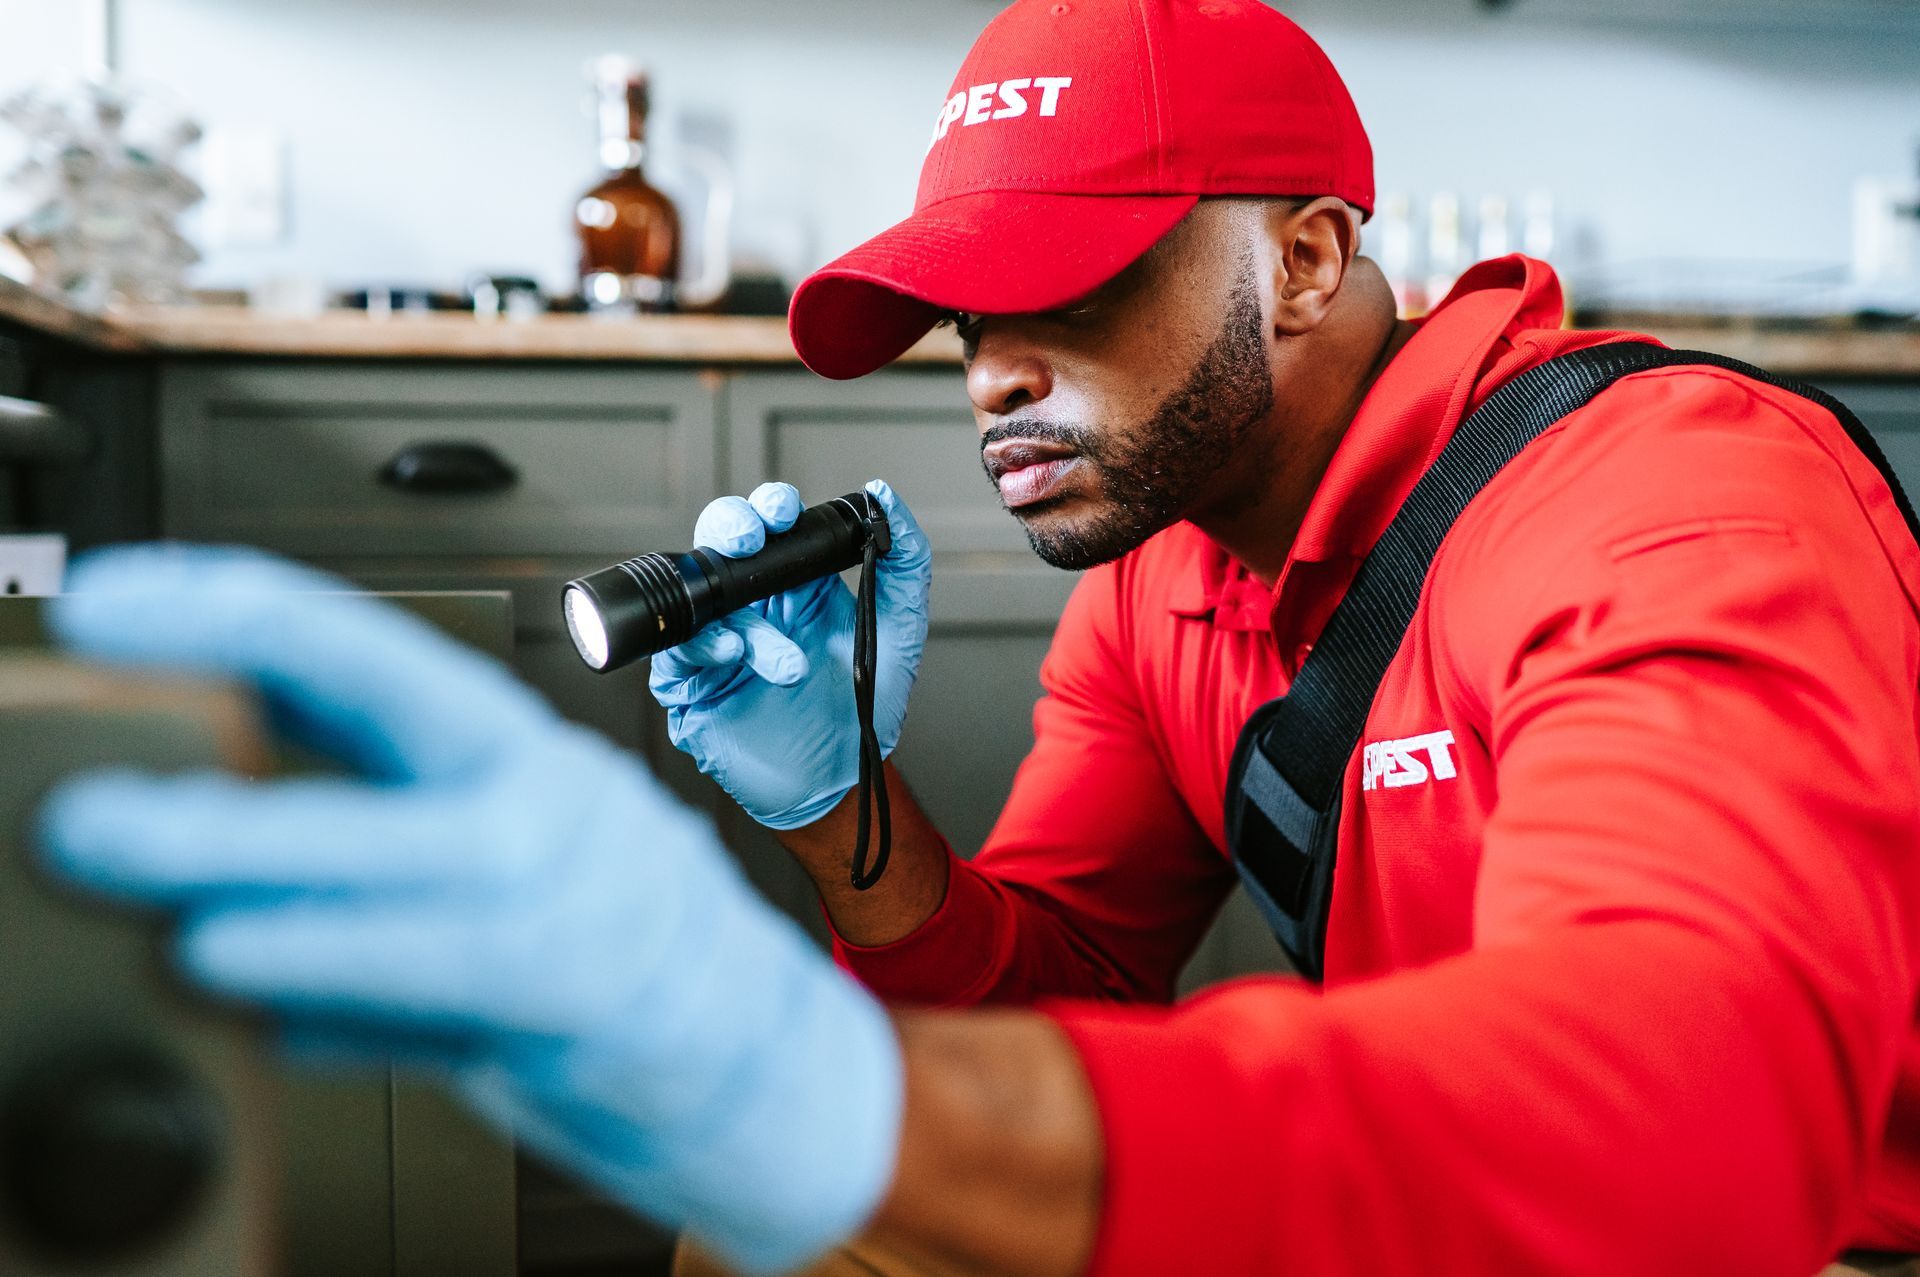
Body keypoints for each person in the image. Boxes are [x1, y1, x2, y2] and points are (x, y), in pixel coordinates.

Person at [34, 2, 1920, 1276]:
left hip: (1782, 1240)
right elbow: (1063, 987)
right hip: (1449, 1204)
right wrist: (842, 809)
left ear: (1313, 259)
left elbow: (1690, 1129)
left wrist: (819, 1087)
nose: (994, 374)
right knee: (802, 1239)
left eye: (1067, 288)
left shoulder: (1676, 502)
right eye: (960, 317)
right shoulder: (1158, 582)